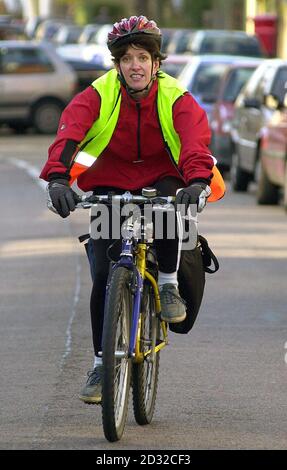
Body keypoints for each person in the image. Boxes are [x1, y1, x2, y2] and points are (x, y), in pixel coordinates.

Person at [40, 15, 225, 405]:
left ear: (157, 63)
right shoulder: (98, 93)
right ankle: (101, 362)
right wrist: (57, 179)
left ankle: (170, 285)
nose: (134, 65)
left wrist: (196, 182)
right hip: (110, 181)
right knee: (105, 276)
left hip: (165, 176)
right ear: (117, 65)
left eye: (143, 57)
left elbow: (195, 142)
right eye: (126, 59)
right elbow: (70, 133)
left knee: (166, 208)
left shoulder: (176, 96)